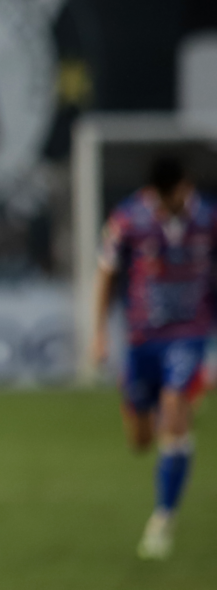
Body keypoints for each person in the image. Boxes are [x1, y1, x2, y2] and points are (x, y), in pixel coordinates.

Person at [92, 156, 210, 561]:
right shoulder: (128, 219)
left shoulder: (209, 220)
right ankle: (168, 429)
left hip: (189, 334)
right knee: (141, 440)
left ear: (185, 187)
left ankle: (162, 519)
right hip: (143, 338)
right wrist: (99, 334)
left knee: (175, 410)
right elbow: (106, 273)